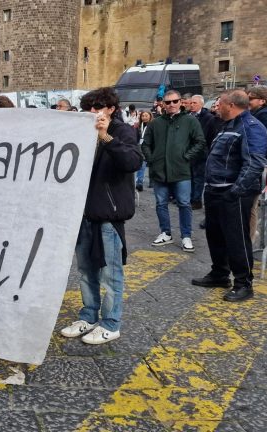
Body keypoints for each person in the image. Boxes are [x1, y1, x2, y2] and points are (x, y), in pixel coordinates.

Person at [60, 87, 143, 344]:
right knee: (86, 270)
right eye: (89, 108)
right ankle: (88, 316)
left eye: (97, 108)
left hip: (108, 214)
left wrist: (106, 137)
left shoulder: (123, 132)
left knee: (110, 273)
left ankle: (110, 322)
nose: (92, 113)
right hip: (82, 212)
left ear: (111, 109)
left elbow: (132, 162)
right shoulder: (81, 132)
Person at [191, 90, 267, 302]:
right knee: (215, 235)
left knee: (237, 239)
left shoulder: (251, 127)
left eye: (219, 104)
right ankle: (219, 274)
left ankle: (244, 283)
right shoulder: (226, 126)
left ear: (231, 105)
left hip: (233, 193)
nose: (216, 107)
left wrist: (235, 191)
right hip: (216, 190)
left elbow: (254, 163)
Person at [142, 89, 205, 252]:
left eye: (175, 101)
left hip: (181, 170)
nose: (171, 105)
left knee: (184, 203)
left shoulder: (190, 121)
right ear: (163, 103)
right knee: (161, 203)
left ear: (180, 102)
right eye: (168, 102)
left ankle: (186, 235)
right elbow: (146, 144)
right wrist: (152, 159)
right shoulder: (155, 123)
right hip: (159, 170)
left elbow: (199, 142)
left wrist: (186, 157)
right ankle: (165, 232)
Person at [187, 95, 217, 210]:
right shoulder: (188, 116)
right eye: (191, 103)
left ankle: (196, 200)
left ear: (201, 104)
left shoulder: (208, 117)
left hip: (201, 153)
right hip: (189, 151)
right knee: (190, 176)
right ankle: (191, 198)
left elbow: (209, 136)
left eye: (194, 103)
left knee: (198, 178)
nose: (192, 105)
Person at [135, 111, 153, 191]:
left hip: (150, 147)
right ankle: (139, 183)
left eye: (146, 116)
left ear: (150, 116)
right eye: (143, 116)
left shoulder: (153, 126)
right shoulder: (138, 126)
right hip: (140, 147)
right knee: (142, 164)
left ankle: (152, 181)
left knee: (151, 164)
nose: (144, 117)